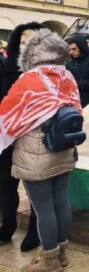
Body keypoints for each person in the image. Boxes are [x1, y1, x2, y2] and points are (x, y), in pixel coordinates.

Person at [0, 28, 80, 272]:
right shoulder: (67, 76)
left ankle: (49, 260)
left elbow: (7, 116)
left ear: (33, 53)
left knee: (43, 207)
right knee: (60, 203)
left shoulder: (29, 79)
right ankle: (62, 253)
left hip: (36, 150)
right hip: (64, 147)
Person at [0, 23, 42, 251]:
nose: (27, 46)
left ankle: (35, 231)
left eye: (32, 41)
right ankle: (7, 226)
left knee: (34, 185)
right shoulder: (7, 67)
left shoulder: (51, 71)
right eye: (23, 41)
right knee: (6, 184)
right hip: (8, 137)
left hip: (36, 138)